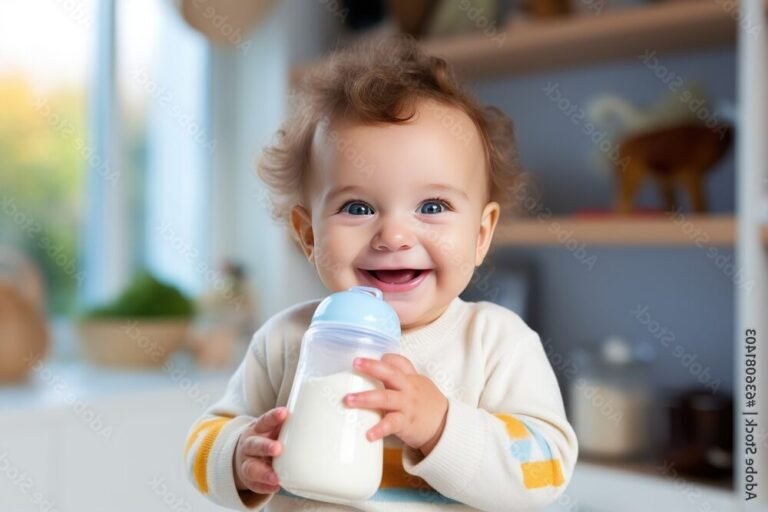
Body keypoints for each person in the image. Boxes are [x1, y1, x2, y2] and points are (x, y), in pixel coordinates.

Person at [184, 35, 578, 511]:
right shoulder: (286, 339)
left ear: (480, 233)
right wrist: (238, 454)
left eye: (432, 206)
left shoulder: (497, 342)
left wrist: (441, 427)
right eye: (358, 207)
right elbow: (204, 438)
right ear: (308, 236)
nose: (393, 236)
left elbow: (546, 467)